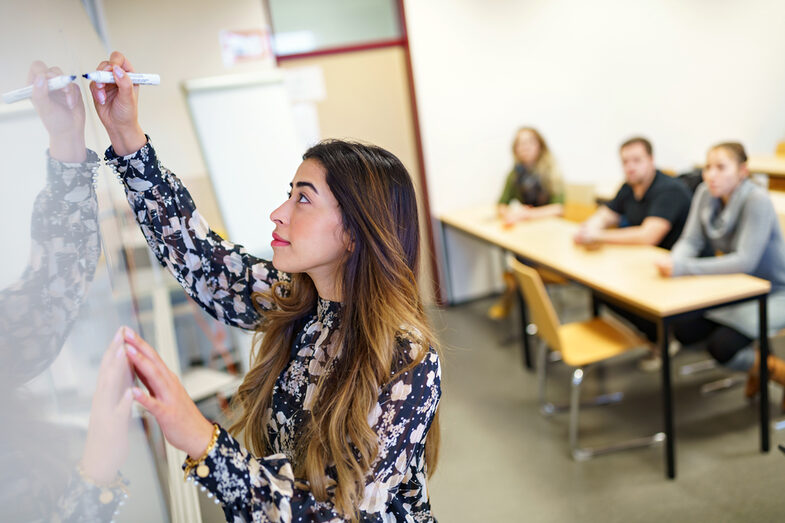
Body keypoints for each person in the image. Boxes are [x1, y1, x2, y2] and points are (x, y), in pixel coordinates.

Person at [90, 52, 441, 522]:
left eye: (303, 199)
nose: (279, 212)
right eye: (288, 193)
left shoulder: (407, 358)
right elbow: (200, 255)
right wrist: (126, 135)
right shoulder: (298, 299)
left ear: (355, 232)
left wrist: (201, 440)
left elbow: (333, 515)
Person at [655, 142, 785, 408]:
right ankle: (759, 367)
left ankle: (778, 373)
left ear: (743, 171)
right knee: (685, 329)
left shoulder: (756, 200)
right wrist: (674, 261)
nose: (711, 175)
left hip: (773, 291)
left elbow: (745, 261)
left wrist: (684, 269)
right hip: (734, 287)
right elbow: (690, 240)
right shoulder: (705, 193)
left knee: (722, 347)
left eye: (721, 167)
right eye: (708, 167)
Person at [573, 137, 692, 370]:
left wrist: (598, 237)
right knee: (602, 290)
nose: (631, 167)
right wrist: (590, 227)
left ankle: (665, 339)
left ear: (651, 160)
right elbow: (607, 214)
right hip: (644, 264)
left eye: (637, 160)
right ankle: (655, 336)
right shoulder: (629, 186)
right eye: (625, 161)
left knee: (614, 290)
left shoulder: (669, 190)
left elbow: (648, 236)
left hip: (676, 269)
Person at [489, 127, 565, 319]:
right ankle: (527, 304)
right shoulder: (515, 174)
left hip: (550, 236)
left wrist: (526, 215)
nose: (525, 147)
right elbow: (501, 204)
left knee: (526, 263)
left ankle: (539, 312)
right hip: (527, 234)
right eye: (520, 144)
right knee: (519, 259)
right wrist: (509, 213)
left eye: (529, 142)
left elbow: (558, 209)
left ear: (540, 145)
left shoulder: (551, 171)